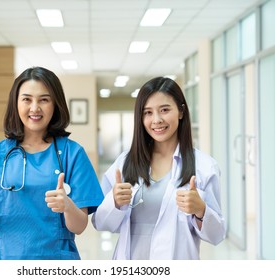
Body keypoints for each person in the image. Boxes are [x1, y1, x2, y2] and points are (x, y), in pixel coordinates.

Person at [0, 66, 104, 260]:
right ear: (16, 103)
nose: (35, 108)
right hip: (2, 259)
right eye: (27, 99)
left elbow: (79, 227)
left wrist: (68, 206)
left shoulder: (73, 154)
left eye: (44, 100)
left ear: (56, 104)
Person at [92, 76, 226, 259]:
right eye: (147, 112)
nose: (156, 120)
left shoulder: (203, 166)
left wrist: (201, 210)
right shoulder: (125, 163)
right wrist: (114, 203)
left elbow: (217, 234)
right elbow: (100, 223)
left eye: (164, 110)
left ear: (181, 111)